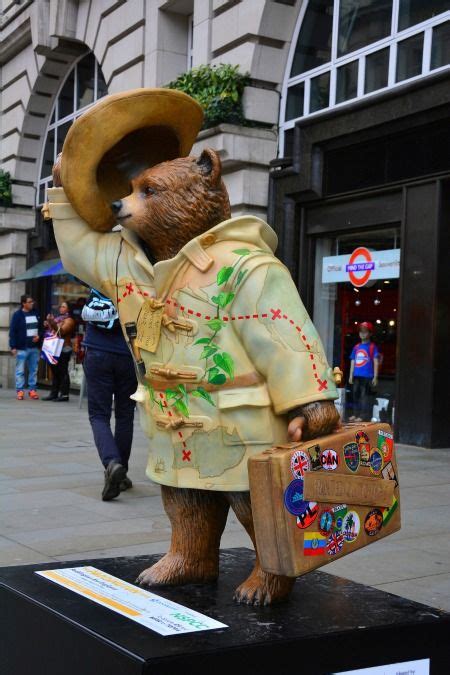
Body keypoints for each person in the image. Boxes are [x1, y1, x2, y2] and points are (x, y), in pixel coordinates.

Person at [82, 288, 137, 501]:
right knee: (125, 415)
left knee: (98, 415)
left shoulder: (98, 279)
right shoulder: (132, 282)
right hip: (127, 354)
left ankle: (112, 463)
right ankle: (121, 473)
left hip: (97, 351)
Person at [9, 294, 41, 400]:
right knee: (20, 371)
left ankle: (32, 390)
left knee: (34, 370)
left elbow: (40, 328)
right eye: (30, 301)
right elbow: (12, 331)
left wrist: (39, 336)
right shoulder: (17, 315)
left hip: (34, 347)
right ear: (24, 303)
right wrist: (13, 346)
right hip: (21, 347)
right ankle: (20, 391)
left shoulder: (36, 313)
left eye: (32, 301)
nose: (32, 303)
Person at [42, 301, 75, 402]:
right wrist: (48, 324)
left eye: (64, 307)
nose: (61, 308)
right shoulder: (58, 319)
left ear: (68, 309)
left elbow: (61, 332)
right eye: (61, 306)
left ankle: (64, 394)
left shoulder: (69, 320)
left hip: (64, 348)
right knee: (55, 371)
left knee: (62, 371)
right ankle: (54, 393)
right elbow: (53, 331)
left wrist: (52, 323)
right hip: (54, 347)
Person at [348, 321, 380, 422]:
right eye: (361, 332)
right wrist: (350, 375)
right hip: (357, 375)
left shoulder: (372, 347)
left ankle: (363, 415)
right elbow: (353, 360)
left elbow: (376, 362)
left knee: (364, 396)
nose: (362, 334)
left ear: (370, 333)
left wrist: (375, 376)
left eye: (365, 332)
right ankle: (355, 413)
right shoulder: (356, 347)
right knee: (355, 395)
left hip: (367, 376)